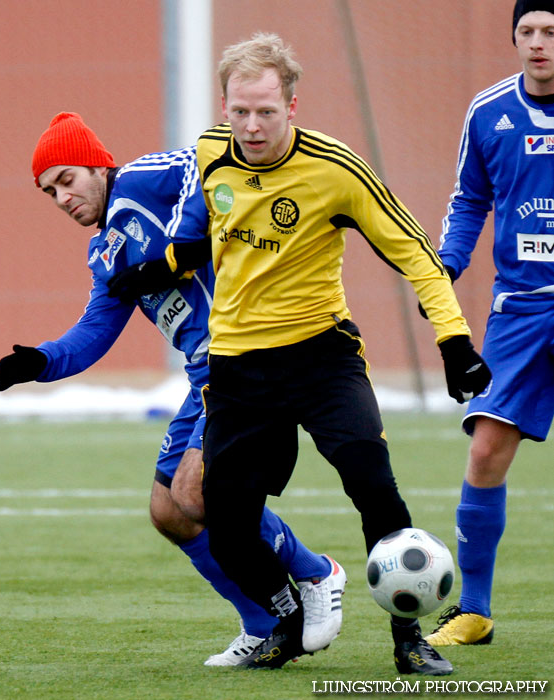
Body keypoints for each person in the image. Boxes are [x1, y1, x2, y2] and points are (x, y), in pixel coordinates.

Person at [108, 34, 491, 674]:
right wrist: (157, 268)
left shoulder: (336, 169)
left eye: (266, 111)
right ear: (224, 106)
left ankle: (409, 639)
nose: (252, 126)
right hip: (238, 367)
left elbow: (416, 254)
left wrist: (453, 339)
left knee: (373, 484)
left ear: (292, 104)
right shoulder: (209, 156)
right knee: (227, 526)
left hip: (321, 356)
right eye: (239, 111)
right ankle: (286, 620)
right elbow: (196, 238)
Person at [0, 112, 346, 666]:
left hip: (249, 360)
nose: (61, 197)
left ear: (98, 165)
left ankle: (317, 573)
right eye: (49, 192)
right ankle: (262, 622)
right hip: (204, 378)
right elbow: (93, 334)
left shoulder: (142, 179)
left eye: (67, 179)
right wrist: (40, 361)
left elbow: (211, 158)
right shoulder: (105, 252)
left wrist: (180, 250)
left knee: (196, 494)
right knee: (169, 512)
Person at [422, 0, 554, 647]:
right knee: (484, 451)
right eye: (526, 31)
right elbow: (469, 199)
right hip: (521, 309)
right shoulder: (489, 113)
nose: (537, 43)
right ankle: (472, 611)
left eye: (549, 32)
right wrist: (443, 266)